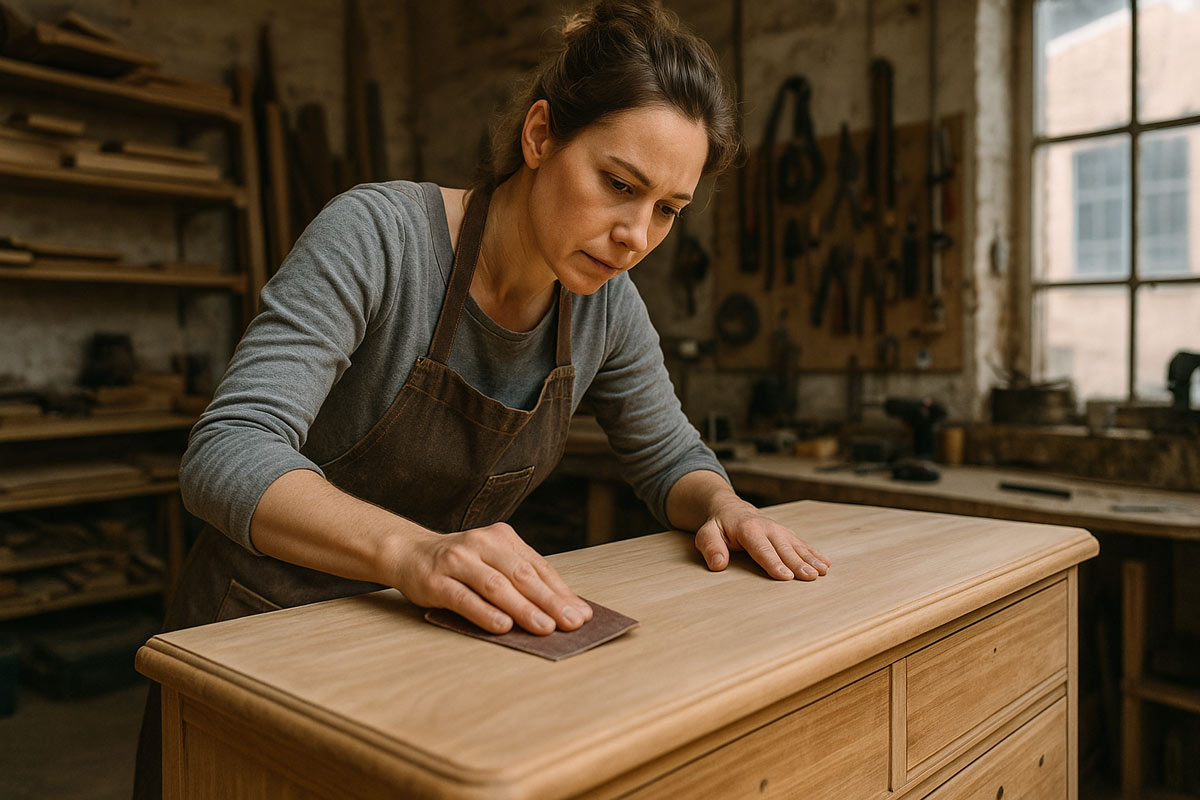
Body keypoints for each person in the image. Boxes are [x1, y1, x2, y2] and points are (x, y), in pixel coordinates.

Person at [134, 0, 829, 795]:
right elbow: (227, 451)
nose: (637, 235)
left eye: (667, 210)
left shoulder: (606, 304)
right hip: (254, 646)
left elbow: (670, 458)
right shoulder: (380, 236)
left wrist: (722, 504)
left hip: (420, 651)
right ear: (540, 136)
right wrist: (412, 551)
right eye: (617, 184)